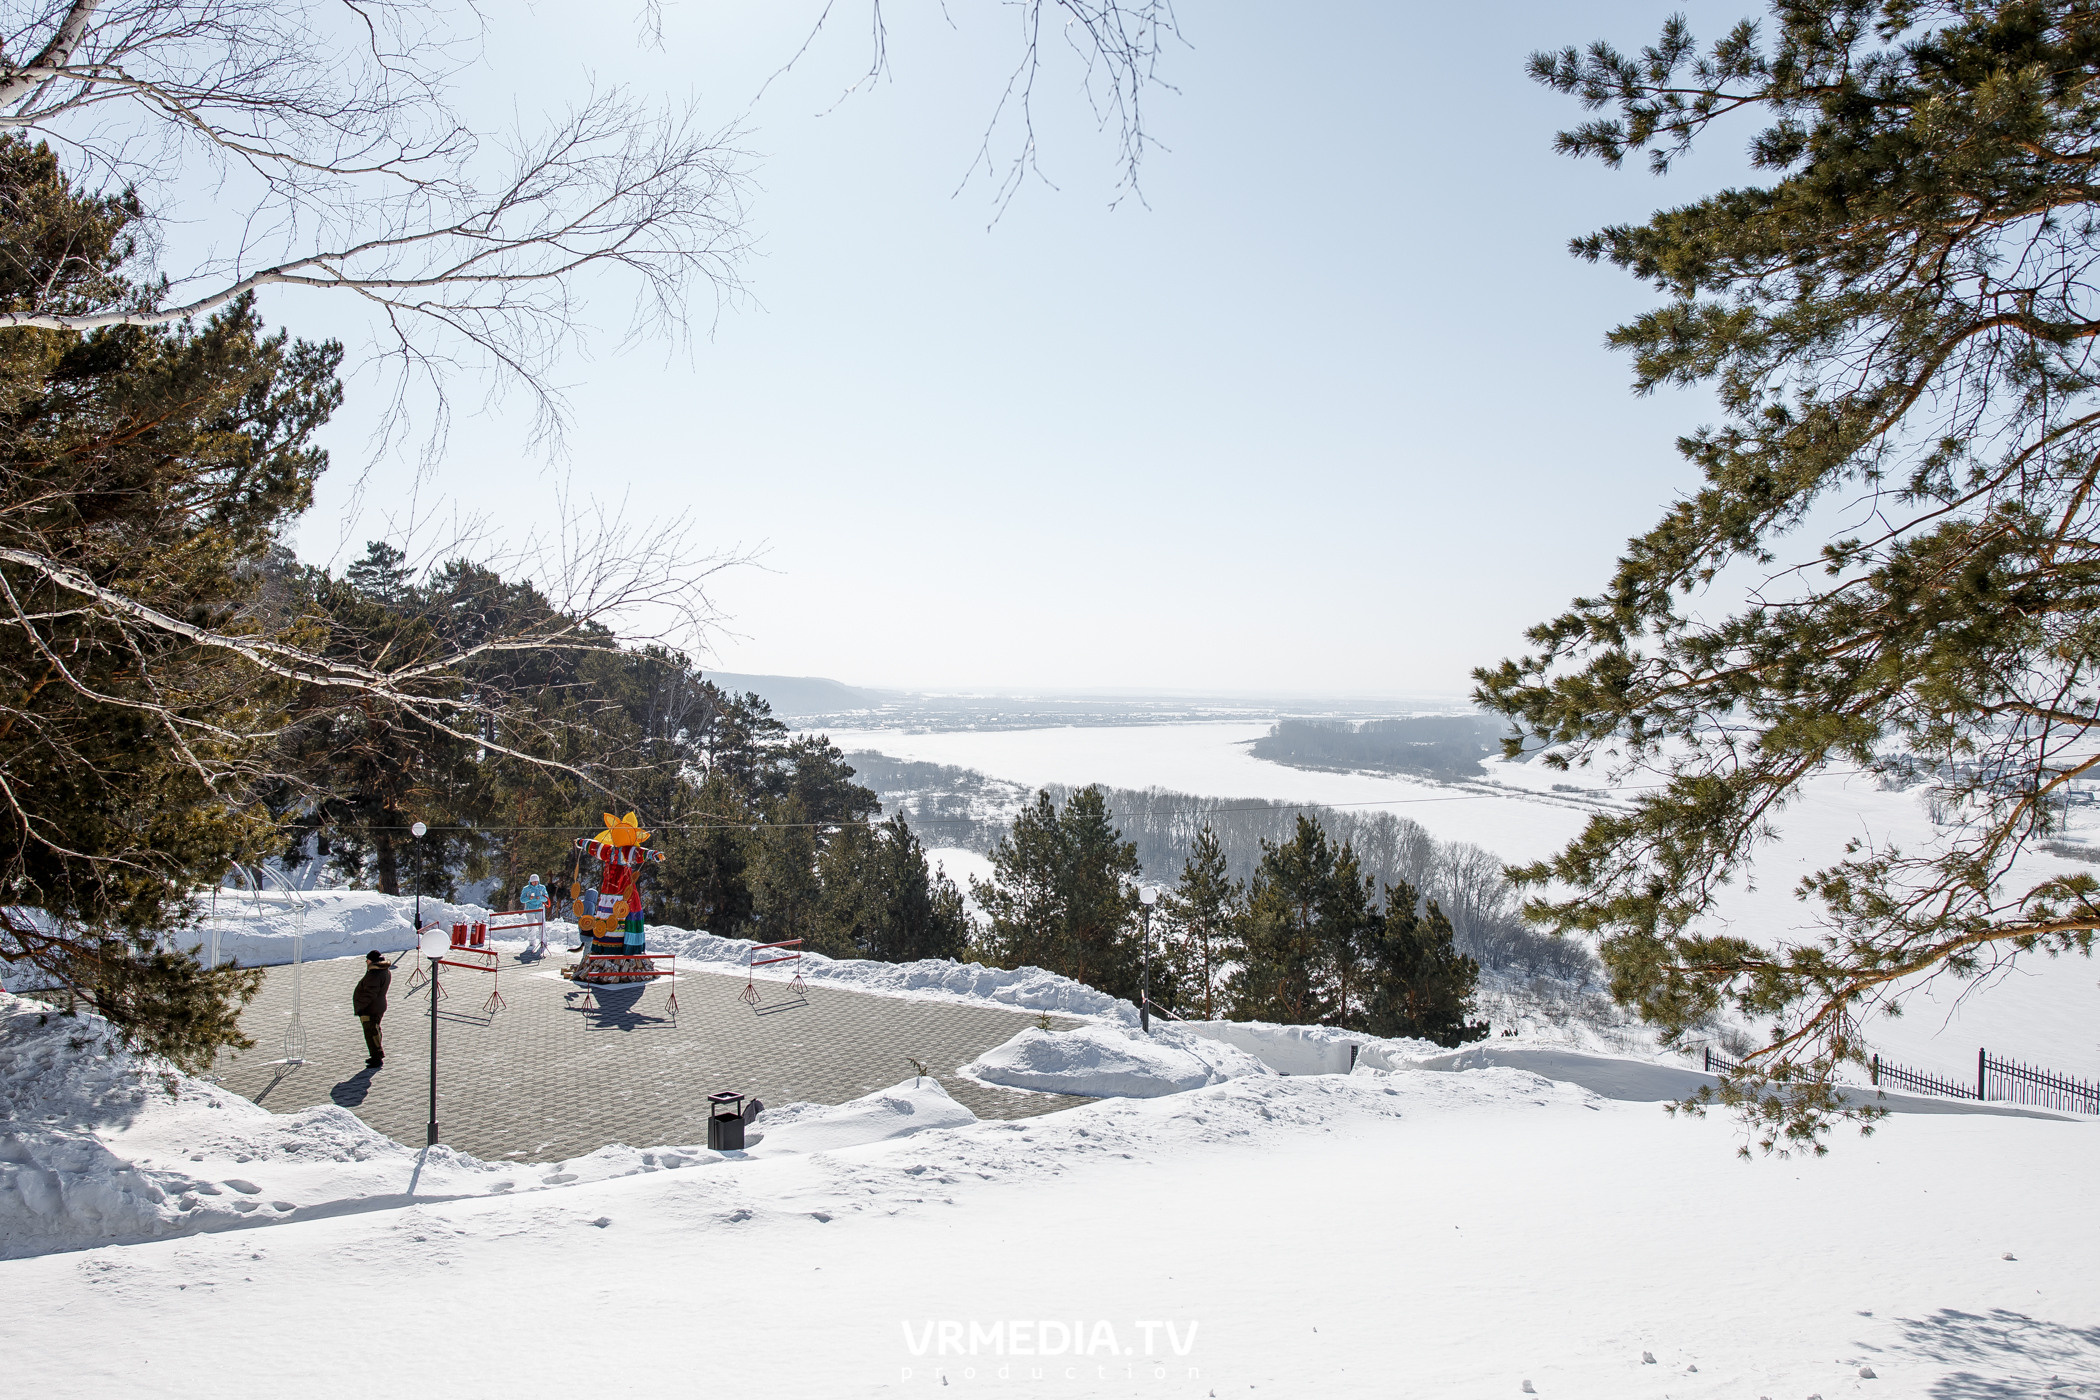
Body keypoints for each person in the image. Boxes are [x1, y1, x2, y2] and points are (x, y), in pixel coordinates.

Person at [352, 950, 392, 1069]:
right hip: (378, 1005)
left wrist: (360, 1006)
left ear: (372, 961)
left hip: (371, 1008)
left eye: (367, 959)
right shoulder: (384, 971)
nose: (366, 961)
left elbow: (370, 994)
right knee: (375, 1030)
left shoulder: (374, 974)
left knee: (371, 1033)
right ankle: (377, 1054)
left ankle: (376, 1058)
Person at [519, 873, 549, 953]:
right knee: (531, 925)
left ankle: (543, 942)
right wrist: (529, 898)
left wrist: (541, 898)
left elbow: (546, 898)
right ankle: (532, 942)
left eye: (536, 882)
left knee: (542, 925)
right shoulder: (526, 888)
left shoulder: (542, 888)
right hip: (530, 908)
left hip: (539, 908)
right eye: (533, 882)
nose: (535, 883)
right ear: (530, 882)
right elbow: (522, 899)